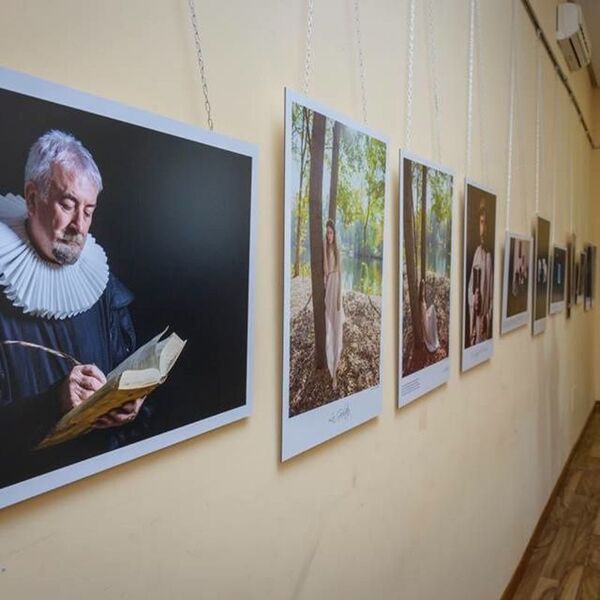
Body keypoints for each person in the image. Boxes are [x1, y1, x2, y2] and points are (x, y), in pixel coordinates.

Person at [0, 130, 148, 488]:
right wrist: (55, 402)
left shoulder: (102, 284)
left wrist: (132, 401)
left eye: (89, 210)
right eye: (67, 205)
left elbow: (124, 361)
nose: (79, 226)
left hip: (104, 481)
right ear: (33, 198)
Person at [467, 200, 493, 346]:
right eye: (481, 223)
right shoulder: (477, 252)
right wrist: (473, 298)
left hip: (484, 325)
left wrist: (486, 317)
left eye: (486, 224)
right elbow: (470, 288)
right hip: (476, 323)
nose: (483, 230)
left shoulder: (490, 257)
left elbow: (493, 297)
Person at [323, 219, 344, 389]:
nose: (329, 235)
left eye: (331, 232)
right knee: (329, 328)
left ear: (335, 234)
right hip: (328, 287)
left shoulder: (337, 250)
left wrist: (339, 297)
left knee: (337, 328)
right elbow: (326, 270)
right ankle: (331, 366)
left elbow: (340, 274)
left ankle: (335, 371)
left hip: (336, 289)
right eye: (327, 232)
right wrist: (324, 248)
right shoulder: (327, 249)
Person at [419, 279, 440, 353]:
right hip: (424, 315)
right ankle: (431, 341)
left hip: (424, 311)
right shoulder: (422, 304)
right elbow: (425, 318)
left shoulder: (424, 304)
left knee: (432, 309)